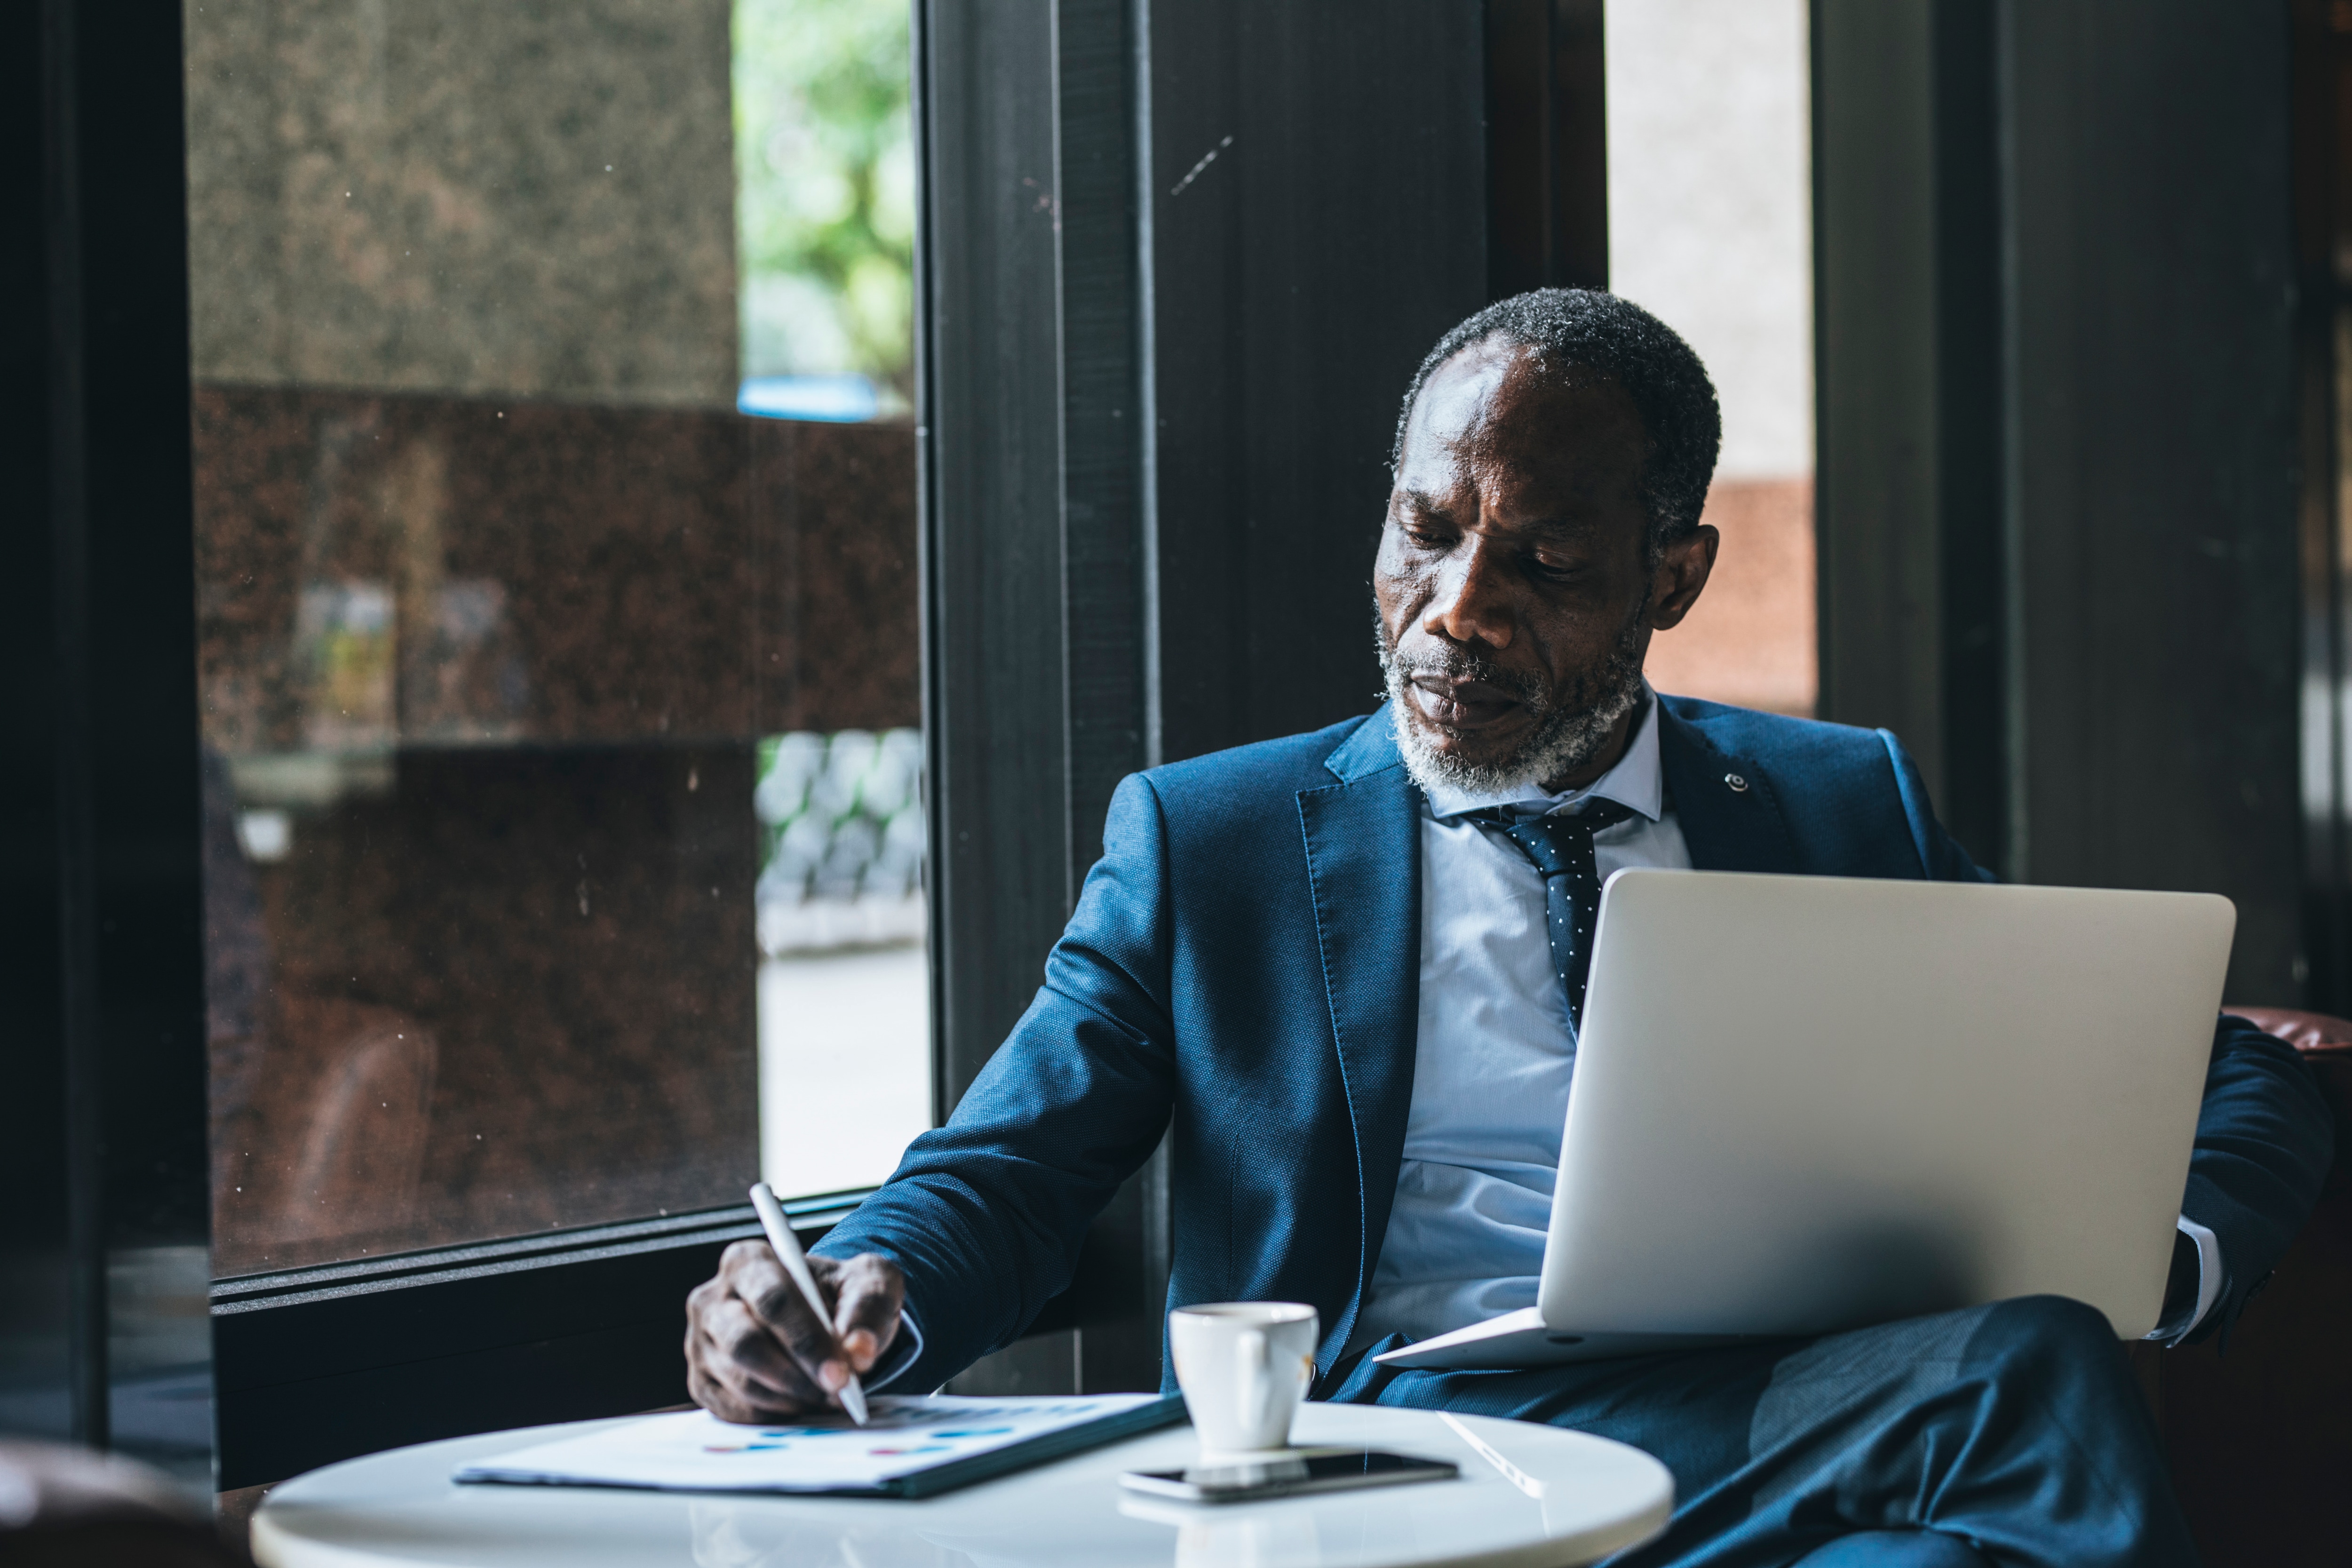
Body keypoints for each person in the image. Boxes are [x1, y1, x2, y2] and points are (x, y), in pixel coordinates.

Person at [683, 289, 2334, 1566]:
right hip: (1392, 1435)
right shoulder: (1218, 840)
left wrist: (2166, 1266)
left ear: (1672, 577)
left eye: (1540, 559)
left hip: (1787, 1415)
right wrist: (856, 1279)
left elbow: (2219, 1068)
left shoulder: (1839, 806)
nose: (1458, 607)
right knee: (2018, 1380)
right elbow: (1012, 1166)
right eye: (1426, 529)